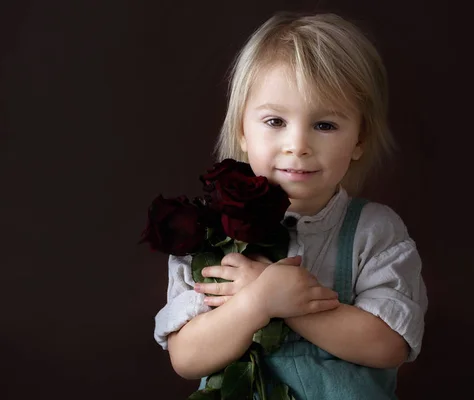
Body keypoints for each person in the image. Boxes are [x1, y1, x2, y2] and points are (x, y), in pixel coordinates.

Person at [154, 12, 428, 399]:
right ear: (242, 131)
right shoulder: (209, 234)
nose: (297, 145)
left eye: (325, 125)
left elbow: (389, 345)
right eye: (275, 121)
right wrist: (259, 300)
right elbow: (187, 358)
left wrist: (293, 305)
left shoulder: (374, 231)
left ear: (359, 139)